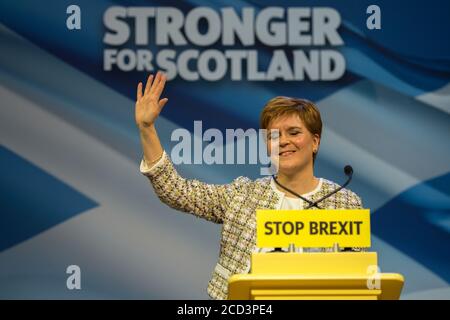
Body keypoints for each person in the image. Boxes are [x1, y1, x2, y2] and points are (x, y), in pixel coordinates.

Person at [135, 71, 364, 300]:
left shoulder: (345, 202)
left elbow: (356, 280)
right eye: (274, 136)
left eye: (293, 133)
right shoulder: (243, 194)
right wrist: (147, 128)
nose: (283, 141)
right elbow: (176, 192)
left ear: (315, 142)